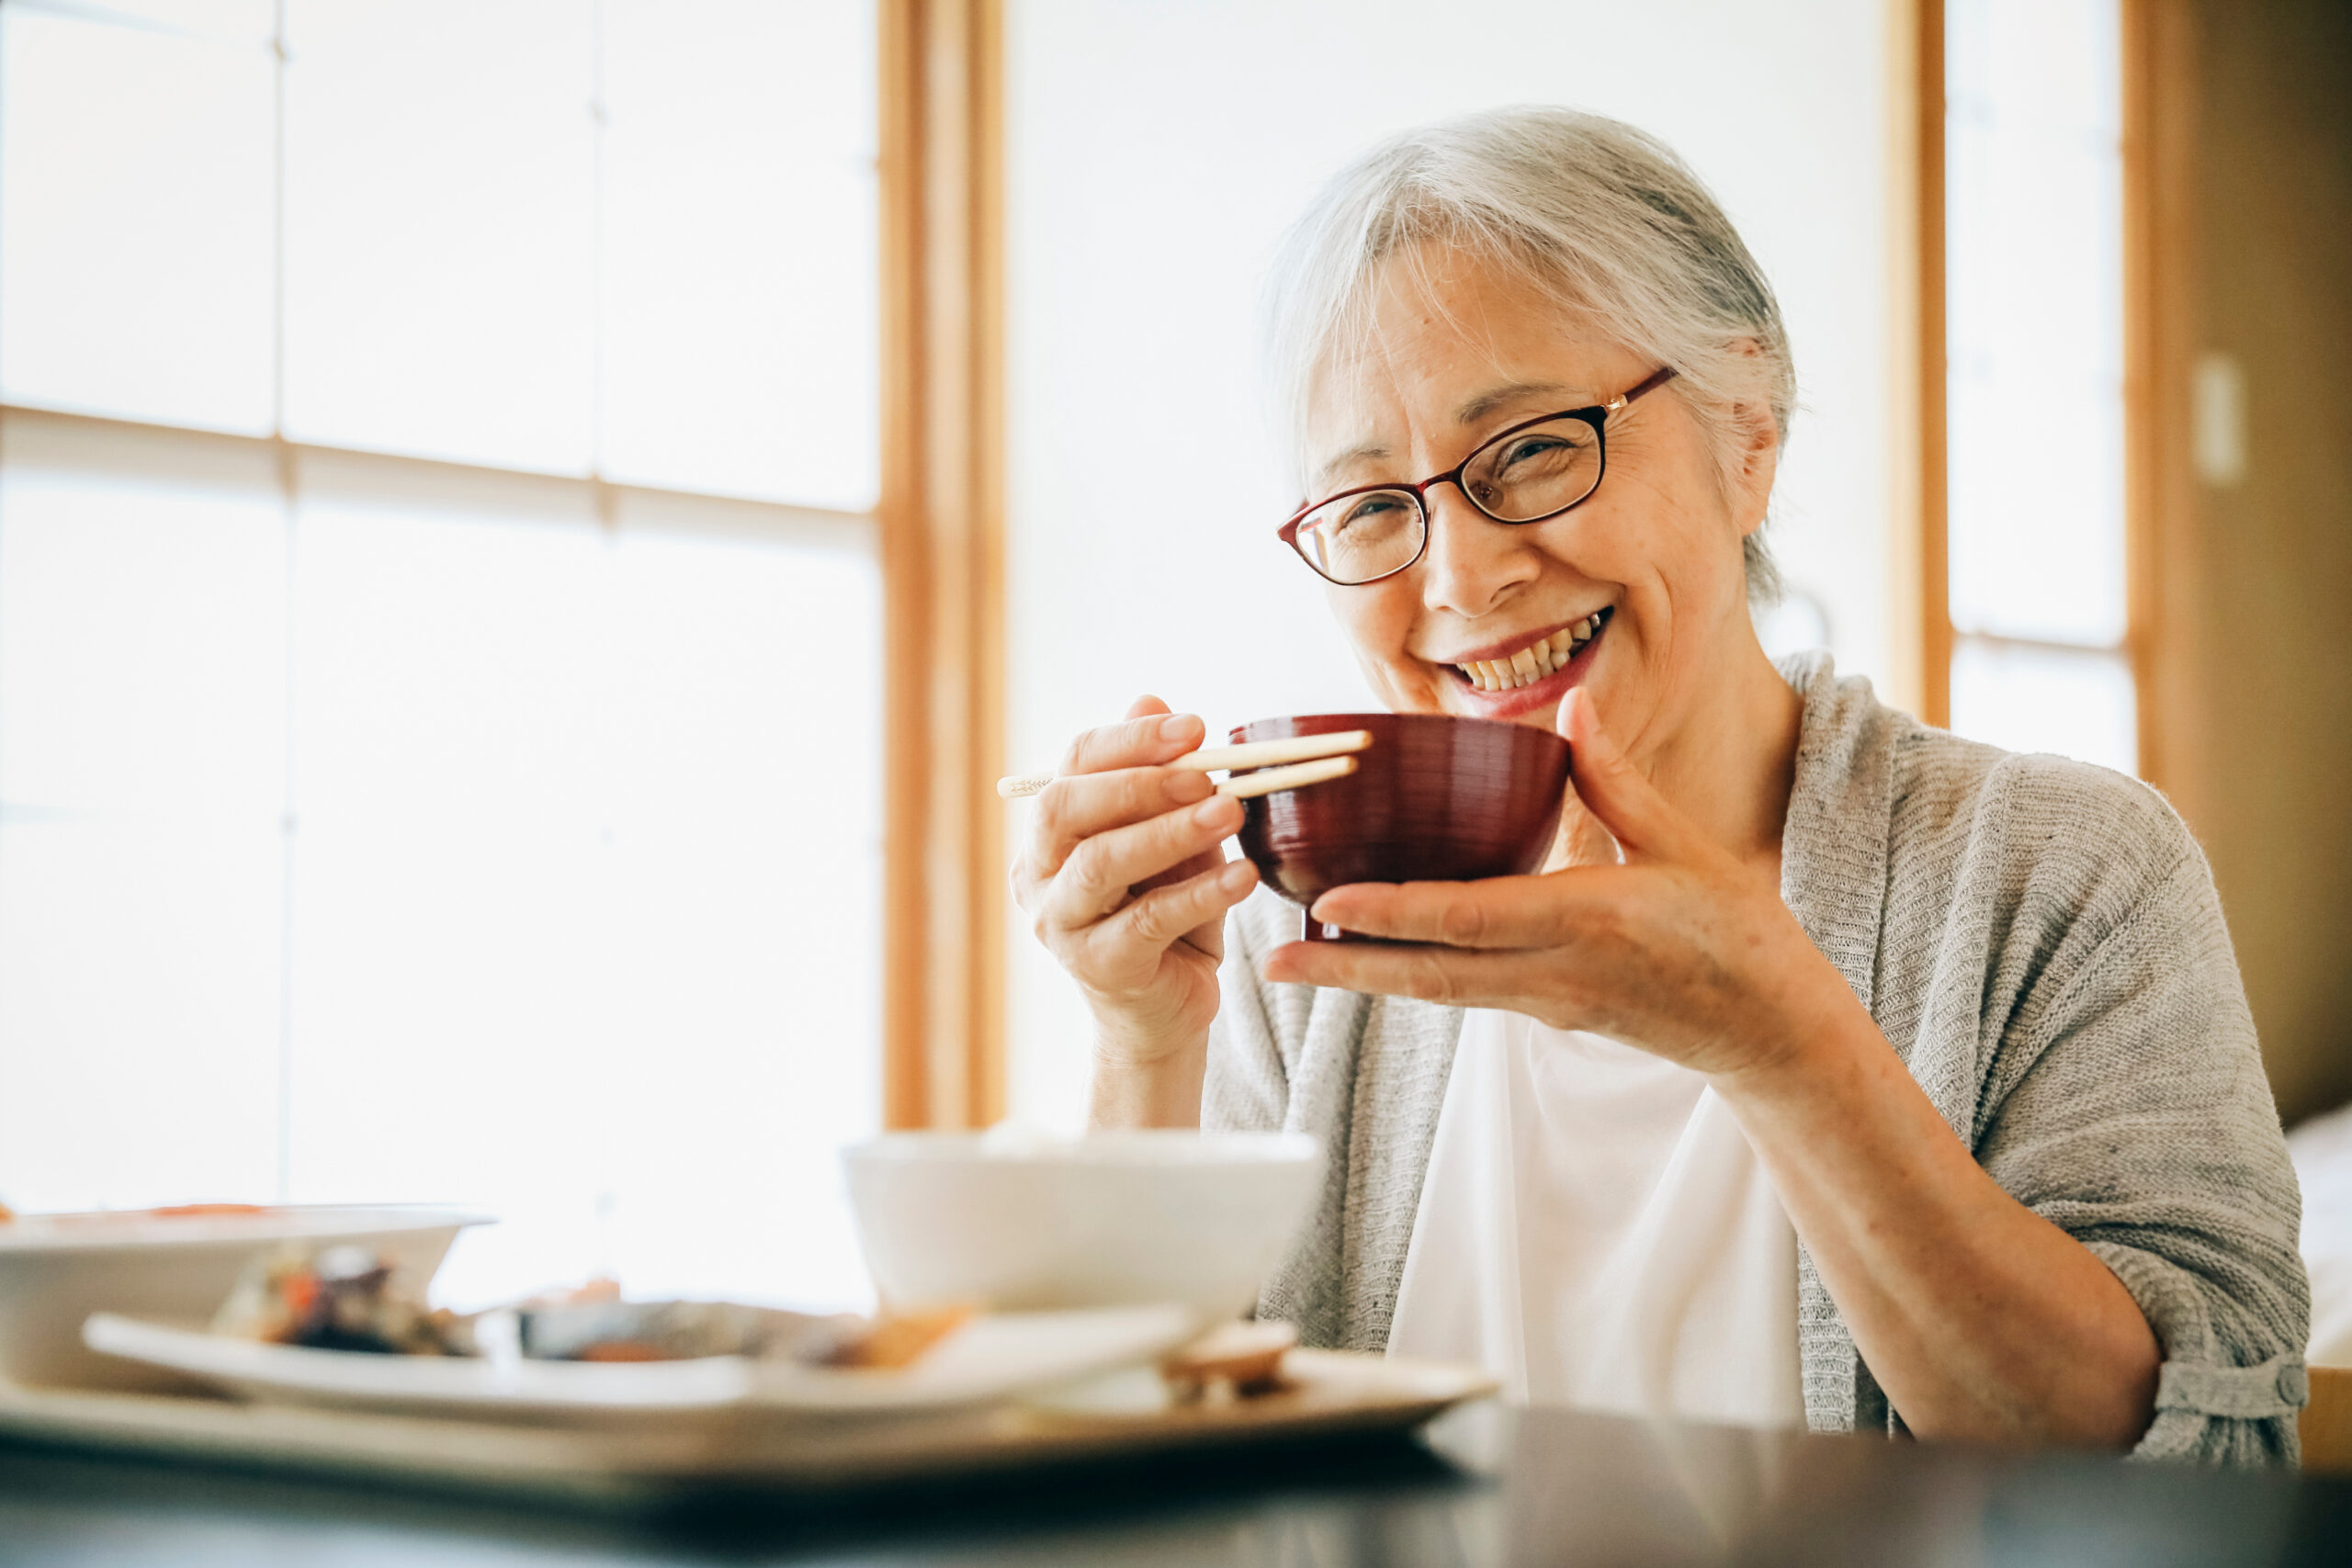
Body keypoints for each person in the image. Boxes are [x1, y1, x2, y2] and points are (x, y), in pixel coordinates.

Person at [1012, 107, 2307, 1462]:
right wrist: (1144, 1044)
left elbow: (2206, 1477)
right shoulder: (1309, 933)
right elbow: (1134, 1478)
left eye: (1529, 451)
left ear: (1748, 430)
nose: (1460, 580)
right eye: (1379, 507)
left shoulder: (2063, 871)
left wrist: (1784, 1047)